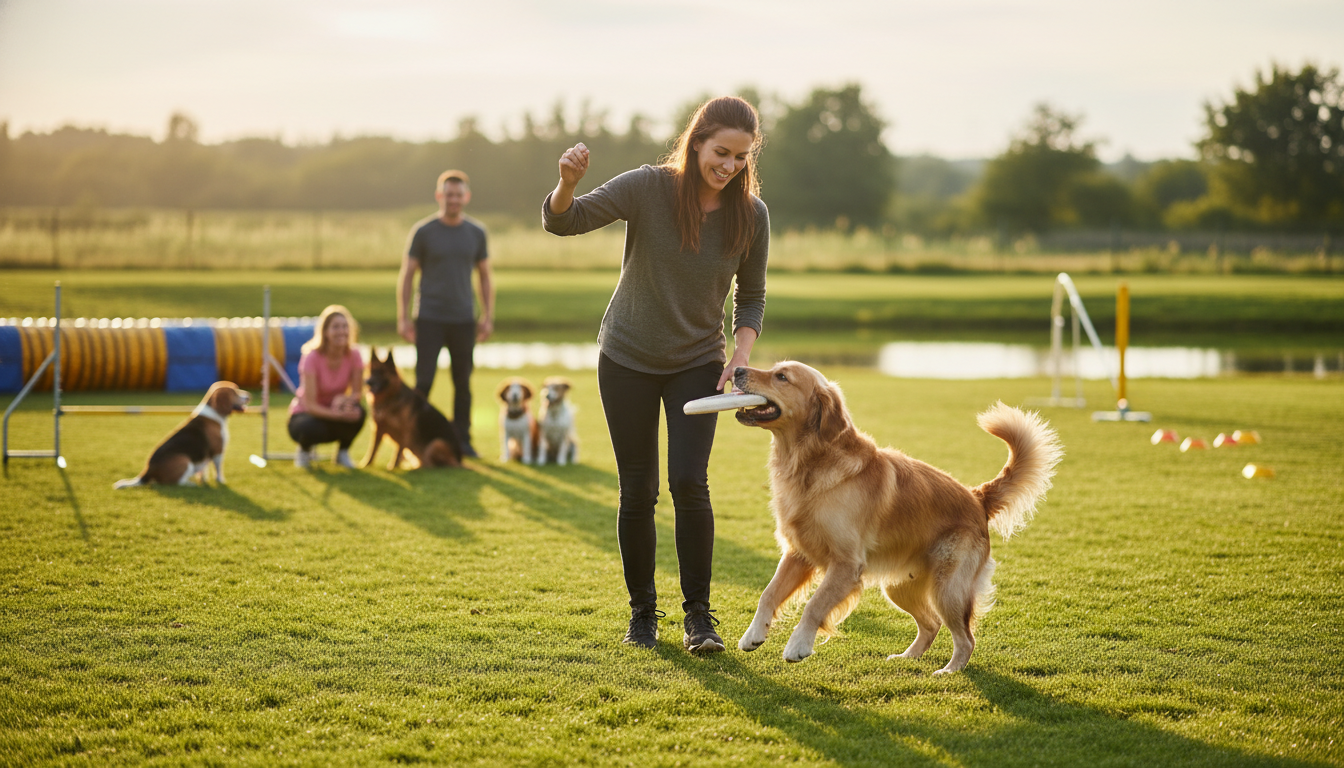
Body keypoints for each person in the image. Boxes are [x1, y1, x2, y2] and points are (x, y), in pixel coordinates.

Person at [542, 96, 769, 653]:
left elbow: (752, 296)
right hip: (626, 358)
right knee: (637, 490)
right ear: (696, 143)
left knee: (690, 483)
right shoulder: (648, 186)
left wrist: (740, 355)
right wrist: (567, 182)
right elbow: (565, 221)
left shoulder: (751, 215)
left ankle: (700, 619)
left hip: (698, 361)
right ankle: (643, 615)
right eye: (721, 152)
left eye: (741, 157)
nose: (730, 166)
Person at [397, 169, 495, 458]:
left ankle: (462, 440)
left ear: (466, 197)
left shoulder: (476, 233)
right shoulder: (423, 232)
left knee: (462, 383)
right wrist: (403, 317)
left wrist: (487, 315)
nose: (453, 200)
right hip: (429, 317)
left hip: (464, 319)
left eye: (458, 194)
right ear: (439, 196)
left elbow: (485, 276)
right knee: (424, 381)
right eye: (448, 194)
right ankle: (413, 438)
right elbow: (407, 275)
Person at [288, 304, 366, 469]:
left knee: (359, 412)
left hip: (336, 408)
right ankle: (304, 450)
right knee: (309, 427)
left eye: (345, 327)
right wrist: (338, 415)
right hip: (308, 413)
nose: (341, 331)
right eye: (336, 327)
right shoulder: (312, 357)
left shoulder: (354, 354)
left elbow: (357, 393)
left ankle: (342, 453)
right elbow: (310, 405)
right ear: (325, 332)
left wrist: (344, 401)